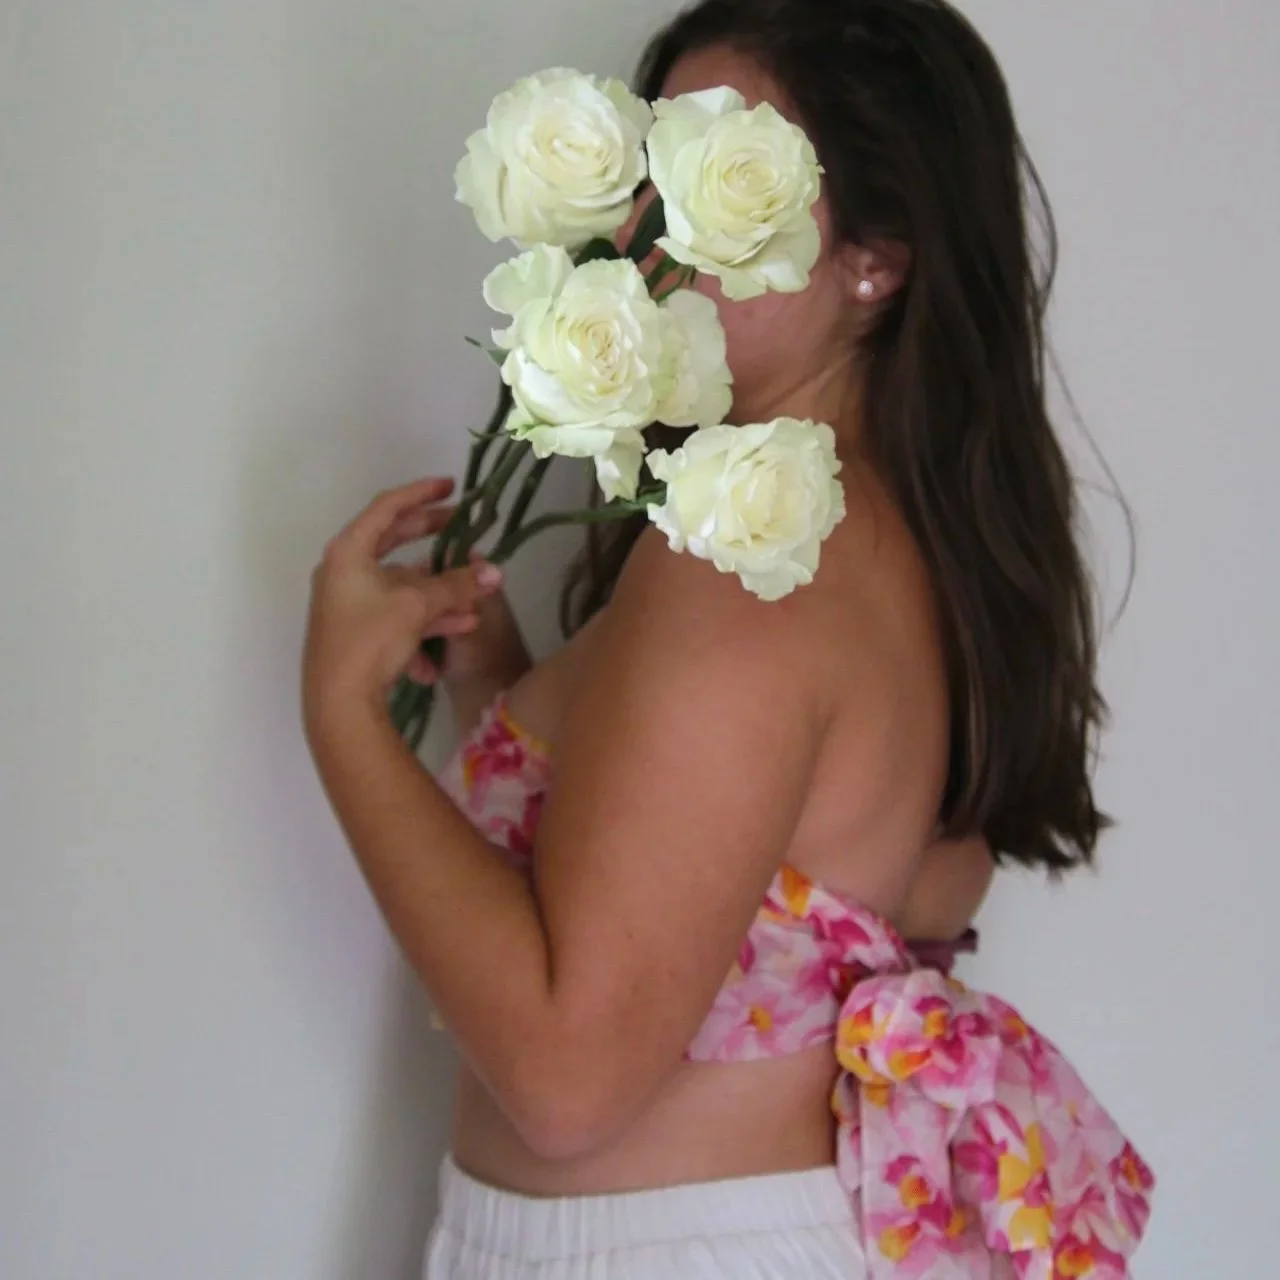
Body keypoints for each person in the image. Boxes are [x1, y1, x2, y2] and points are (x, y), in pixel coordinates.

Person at [302, 1, 1154, 1275]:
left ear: (878, 253)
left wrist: (338, 717)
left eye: (724, 177)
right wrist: (509, 685)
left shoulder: (747, 563)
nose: (651, 232)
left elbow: (564, 1076)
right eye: (656, 172)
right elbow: (711, 885)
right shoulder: (888, 540)